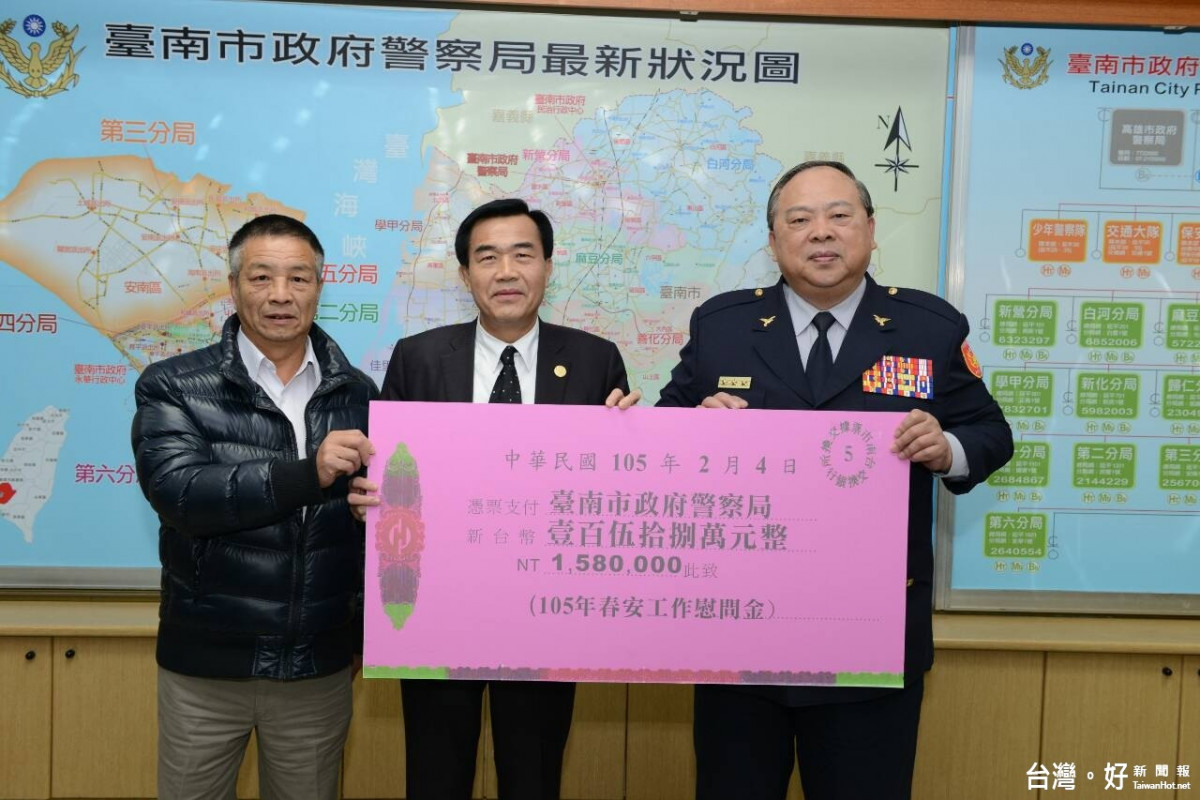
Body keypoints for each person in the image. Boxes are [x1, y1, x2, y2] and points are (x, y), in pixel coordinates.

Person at [656, 161, 1013, 800]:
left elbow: (991, 433)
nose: (821, 232)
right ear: (773, 242)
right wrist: (695, 434)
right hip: (741, 639)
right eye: (799, 219)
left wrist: (946, 448)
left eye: (839, 215)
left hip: (871, 642)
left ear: (870, 230)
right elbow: (661, 439)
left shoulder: (928, 328)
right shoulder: (722, 327)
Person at [350, 197, 639, 800]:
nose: (506, 272)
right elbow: (391, 472)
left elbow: (615, 496)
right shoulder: (418, 357)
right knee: (436, 775)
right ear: (465, 275)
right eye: (487, 257)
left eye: (522, 255)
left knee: (533, 776)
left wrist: (629, 446)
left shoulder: (595, 360)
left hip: (547, 612)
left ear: (548, 266)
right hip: (438, 607)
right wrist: (369, 499)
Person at [131, 214, 379, 800]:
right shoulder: (173, 385)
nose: (280, 295)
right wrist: (309, 473)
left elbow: (374, 533)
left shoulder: (360, 393)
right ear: (234, 285)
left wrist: (364, 629)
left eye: (298, 278)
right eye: (262, 276)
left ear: (319, 287)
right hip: (207, 665)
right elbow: (182, 495)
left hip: (316, 668)